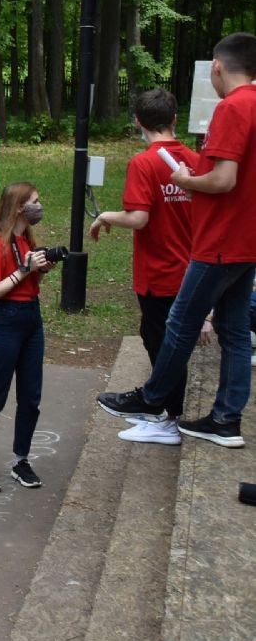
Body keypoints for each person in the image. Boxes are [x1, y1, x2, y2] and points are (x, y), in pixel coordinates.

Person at [98, 33, 256, 447]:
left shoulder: (233, 107)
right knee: (235, 331)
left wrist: (186, 181)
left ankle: (152, 400)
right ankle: (225, 419)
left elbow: (223, 179)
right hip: (247, 240)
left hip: (220, 240)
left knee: (179, 323)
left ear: (218, 67)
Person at [89, 89, 198, 445]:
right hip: (192, 270)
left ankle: (169, 418)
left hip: (159, 272)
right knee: (164, 340)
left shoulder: (145, 163)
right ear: (175, 119)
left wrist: (105, 215)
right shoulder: (195, 161)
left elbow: (138, 217)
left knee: (162, 343)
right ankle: (166, 412)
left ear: (138, 122)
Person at [0, 183, 55, 492]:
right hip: (6, 320)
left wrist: (41, 269)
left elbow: (27, 280)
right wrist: (24, 270)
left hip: (31, 318)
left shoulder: (26, 240)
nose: (39, 207)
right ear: (19, 207)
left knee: (31, 396)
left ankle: (21, 460)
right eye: (34, 202)